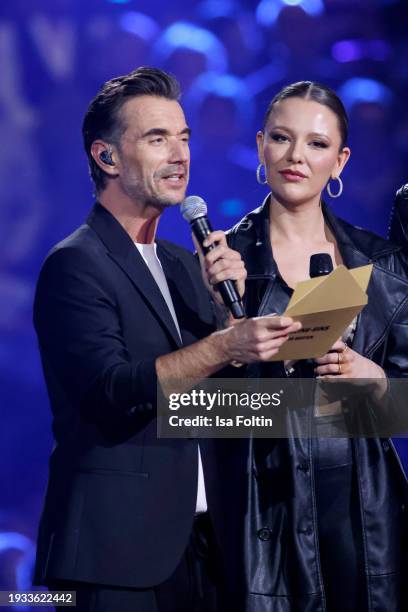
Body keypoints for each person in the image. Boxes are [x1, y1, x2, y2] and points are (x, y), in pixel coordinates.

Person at [32, 67, 302, 612]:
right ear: (107, 157)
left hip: (205, 548)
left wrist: (234, 321)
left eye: (184, 139)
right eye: (157, 139)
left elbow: (213, 407)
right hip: (115, 552)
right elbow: (111, 392)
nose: (179, 155)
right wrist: (226, 345)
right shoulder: (76, 264)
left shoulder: (186, 266)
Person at [226, 81, 408, 611]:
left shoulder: (384, 267)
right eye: (282, 139)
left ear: (341, 159)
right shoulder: (222, 264)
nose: (296, 157)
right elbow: (188, 410)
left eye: (317, 144)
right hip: (261, 515)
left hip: (364, 517)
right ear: (261, 145)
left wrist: (375, 386)